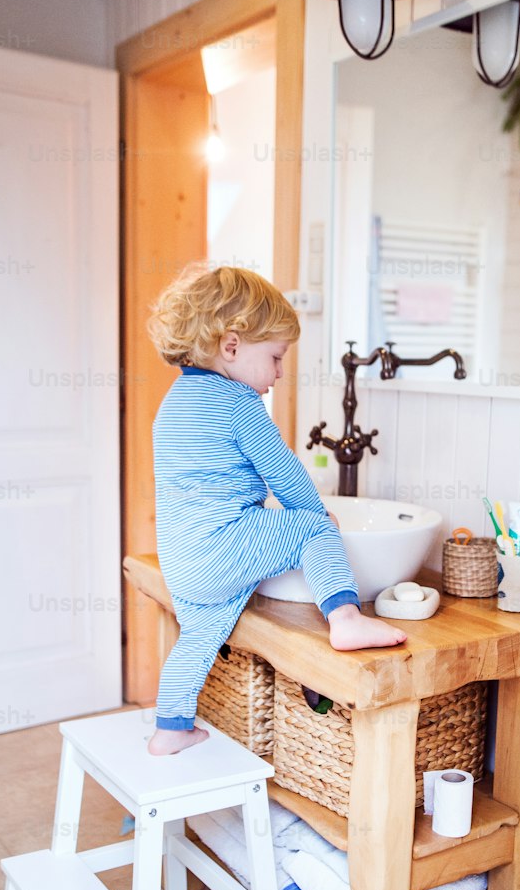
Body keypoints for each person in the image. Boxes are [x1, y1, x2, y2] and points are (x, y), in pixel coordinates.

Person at [145, 263, 407, 756]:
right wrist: (317, 520)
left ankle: (171, 727)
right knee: (309, 529)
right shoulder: (239, 403)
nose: (280, 373)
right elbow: (284, 474)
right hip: (221, 545)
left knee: (198, 636)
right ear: (231, 346)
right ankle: (346, 620)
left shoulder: (174, 402)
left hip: (183, 560)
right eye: (276, 357)